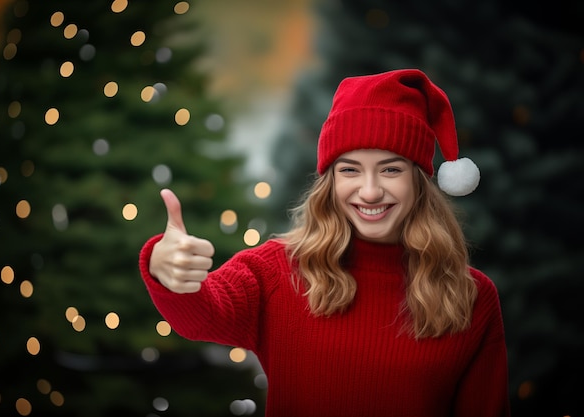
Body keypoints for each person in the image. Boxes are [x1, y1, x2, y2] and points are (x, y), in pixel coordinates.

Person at [139, 69, 511, 417]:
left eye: (391, 169)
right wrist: (165, 267)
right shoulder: (276, 271)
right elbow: (203, 314)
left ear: (419, 181)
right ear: (329, 182)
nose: (369, 191)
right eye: (350, 169)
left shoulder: (472, 296)